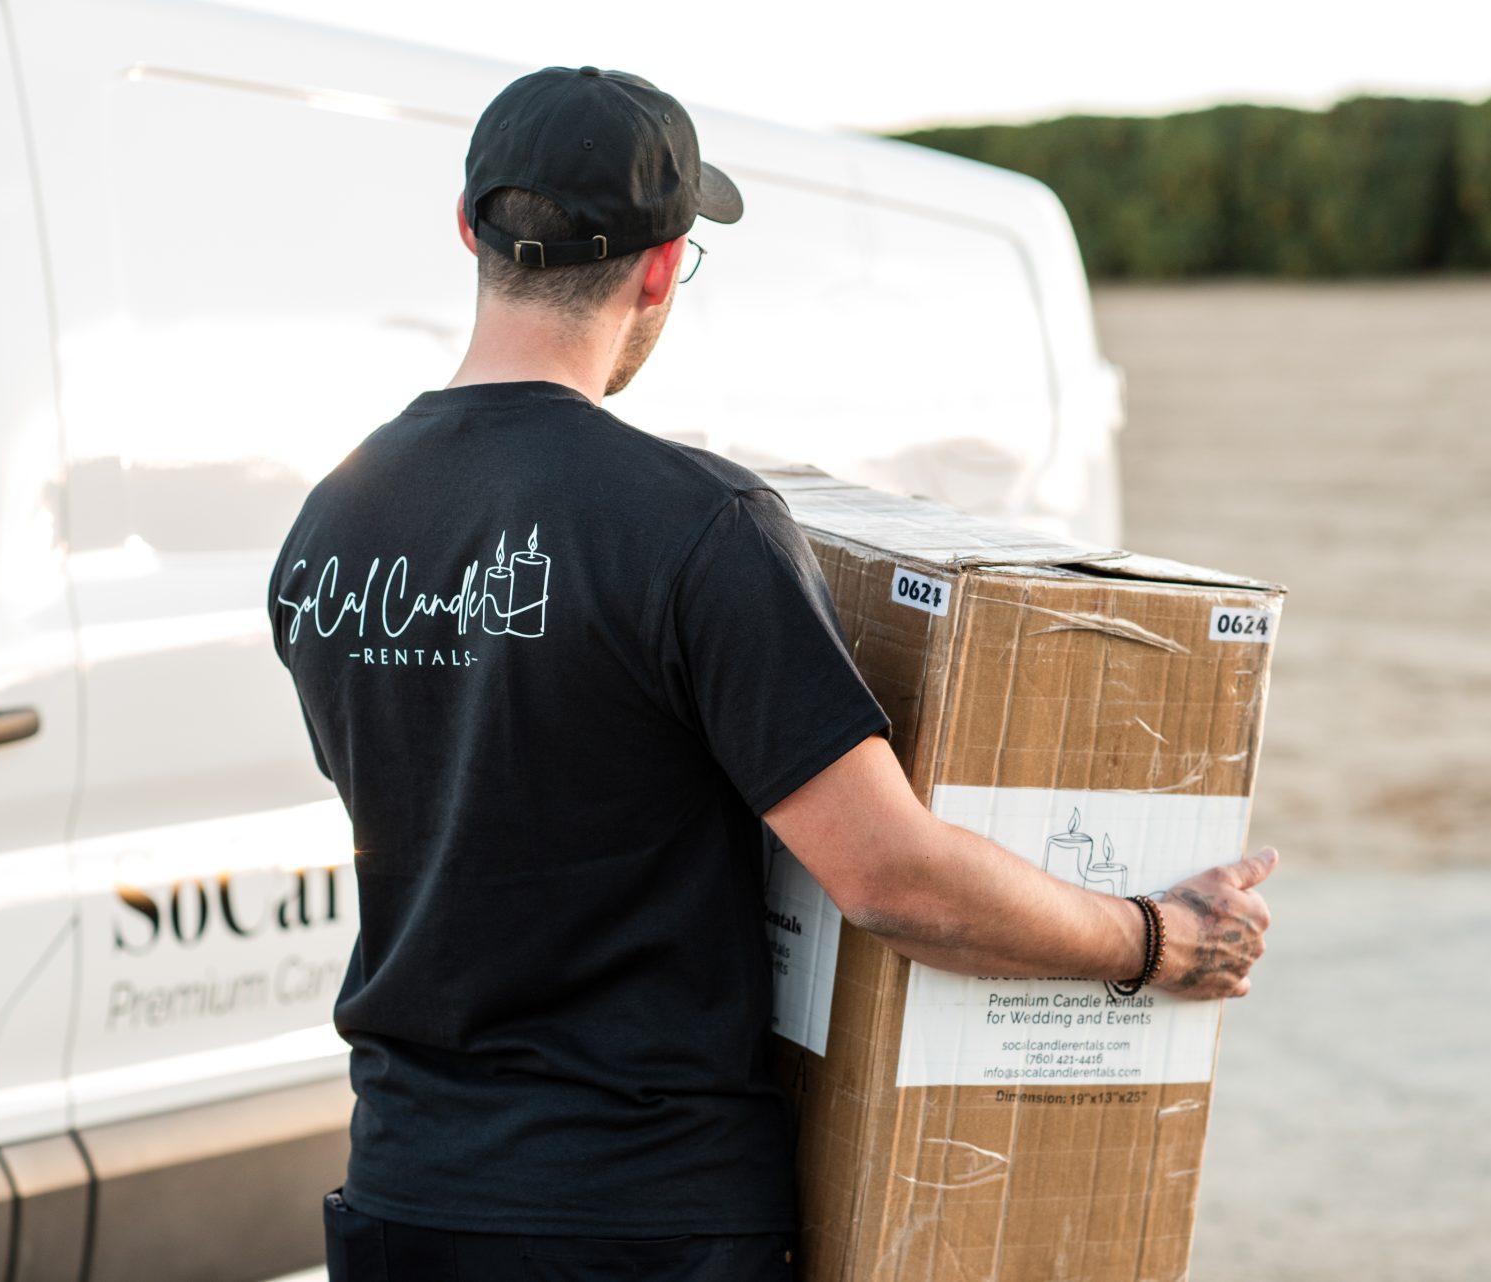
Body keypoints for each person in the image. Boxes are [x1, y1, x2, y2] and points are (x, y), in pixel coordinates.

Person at [269, 66, 1277, 1282]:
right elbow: (892, 876)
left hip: (405, 1195)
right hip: (634, 1222)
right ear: (660, 268)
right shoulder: (694, 525)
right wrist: (1155, 938)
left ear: (474, 231)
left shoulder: (333, 520)